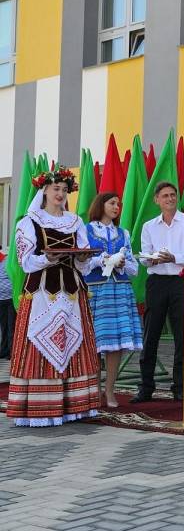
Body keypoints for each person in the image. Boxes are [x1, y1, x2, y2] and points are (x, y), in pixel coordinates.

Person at [7, 168, 101, 426]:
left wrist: (83, 258)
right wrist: (46, 258)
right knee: (40, 340)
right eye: (55, 189)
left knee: (74, 341)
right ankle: (41, 408)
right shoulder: (28, 222)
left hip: (72, 291)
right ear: (44, 190)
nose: (60, 194)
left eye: (63, 189)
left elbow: (82, 264)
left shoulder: (75, 221)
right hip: (40, 292)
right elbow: (25, 262)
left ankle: (75, 406)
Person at [132, 182, 184, 403]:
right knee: (150, 334)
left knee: (183, 335)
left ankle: (180, 387)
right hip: (157, 282)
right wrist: (154, 258)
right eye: (165, 196)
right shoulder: (149, 226)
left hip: (182, 282)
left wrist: (174, 258)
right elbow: (144, 257)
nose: (170, 199)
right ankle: (146, 387)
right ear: (156, 200)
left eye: (173, 195)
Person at [84, 192, 143, 408]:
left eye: (118, 203)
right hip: (96, 291)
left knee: (115, 344)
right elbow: (81, 262)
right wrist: (102, 260)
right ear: (101, 205)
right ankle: (92, 389)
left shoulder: (123, 233)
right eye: (112, 203)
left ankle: (109, 390)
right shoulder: (87, 229)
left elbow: (134, 267)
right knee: (92, 343)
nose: (117, 206)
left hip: (119, 291)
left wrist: (121, 264)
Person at [0, 247, 15, 359]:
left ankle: (12, 351)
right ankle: (4, 350)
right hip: (1, 299)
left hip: (11, 298)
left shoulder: (6, 261)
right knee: (3, 327)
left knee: (11, 326)